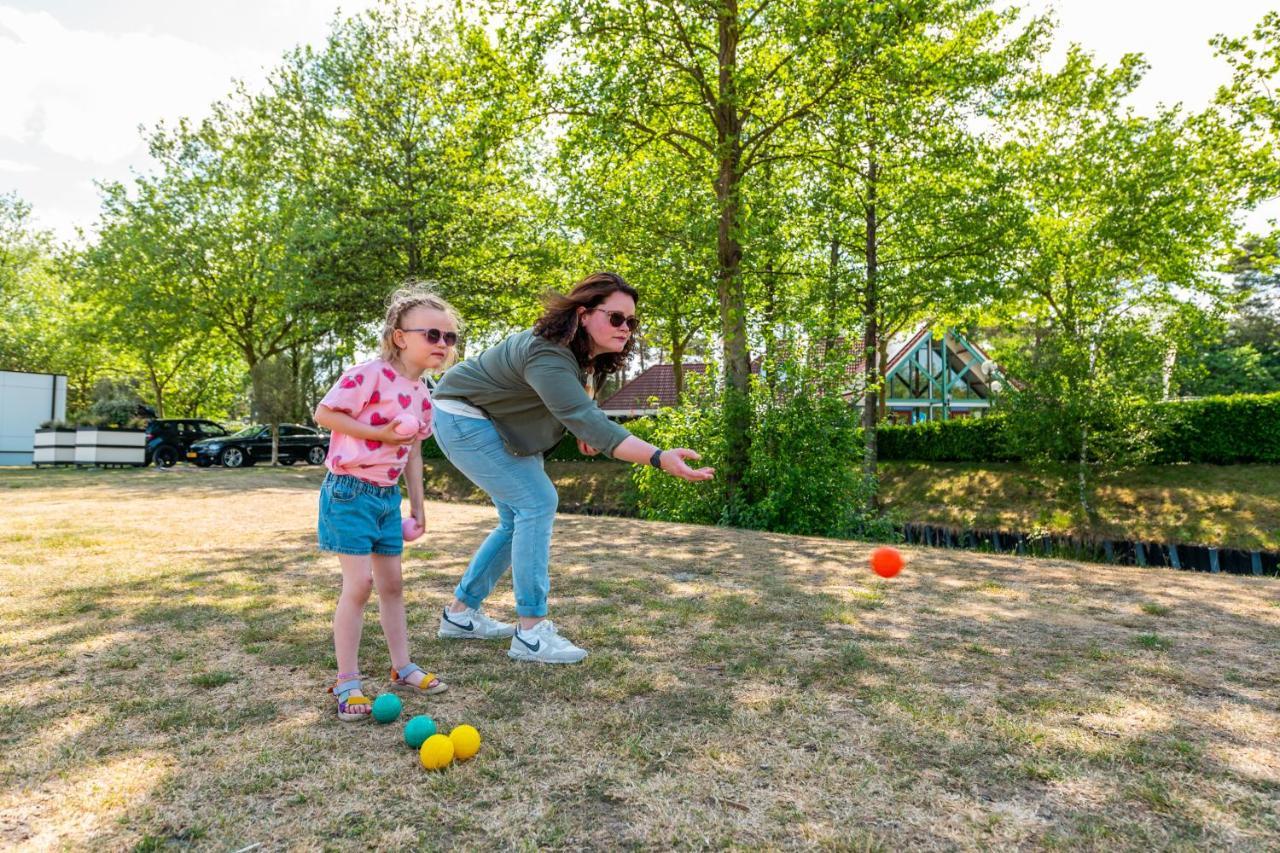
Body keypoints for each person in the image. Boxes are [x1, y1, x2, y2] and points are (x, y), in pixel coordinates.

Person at [430, 271, 714, 664]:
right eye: (616, 318)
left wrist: (584, 426)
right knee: (537, 502)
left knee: (517, 517)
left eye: (631, 322)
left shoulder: (579, 359)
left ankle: (460, 615)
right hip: (463, 414)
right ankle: (531, 633)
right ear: (583, 315)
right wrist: (658, 456)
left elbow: (578, 412)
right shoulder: (548, 353)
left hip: (499, 425)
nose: (626, 328)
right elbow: (586, 418)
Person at [313, 285, 462, 720]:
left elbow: (413, 451)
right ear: (400, 337)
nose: (442, 345)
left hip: (385, 497)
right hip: (348, 491)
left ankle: (402, 668)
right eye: (432, 335)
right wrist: (381, 434)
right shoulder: (368, 374)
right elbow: (325, 414)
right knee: (358, 586)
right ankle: (347, 681)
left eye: (449, 338)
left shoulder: (423, 393)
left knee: (393, 586)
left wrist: (418, 506)